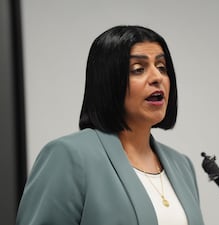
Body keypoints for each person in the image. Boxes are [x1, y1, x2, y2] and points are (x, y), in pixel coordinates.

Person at [16, 25, 205, 225]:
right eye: (138, 69)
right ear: (108, 81)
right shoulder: (69, 156)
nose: (157, 78)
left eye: (162, 67)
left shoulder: (182, 165)